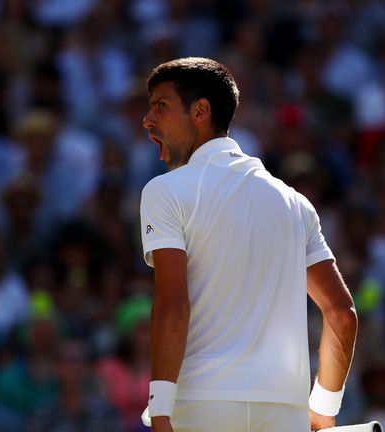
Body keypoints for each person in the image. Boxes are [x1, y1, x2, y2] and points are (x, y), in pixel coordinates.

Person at [138, 57, 357, 431]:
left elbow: (173, 305)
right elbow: (341, 313)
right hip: (285, 413)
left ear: (201, 112)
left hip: (202, 406)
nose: (148, 120)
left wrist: (160, 413)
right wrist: (323, 407)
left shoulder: (164, 192)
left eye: (160, 106)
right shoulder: (295, 202)